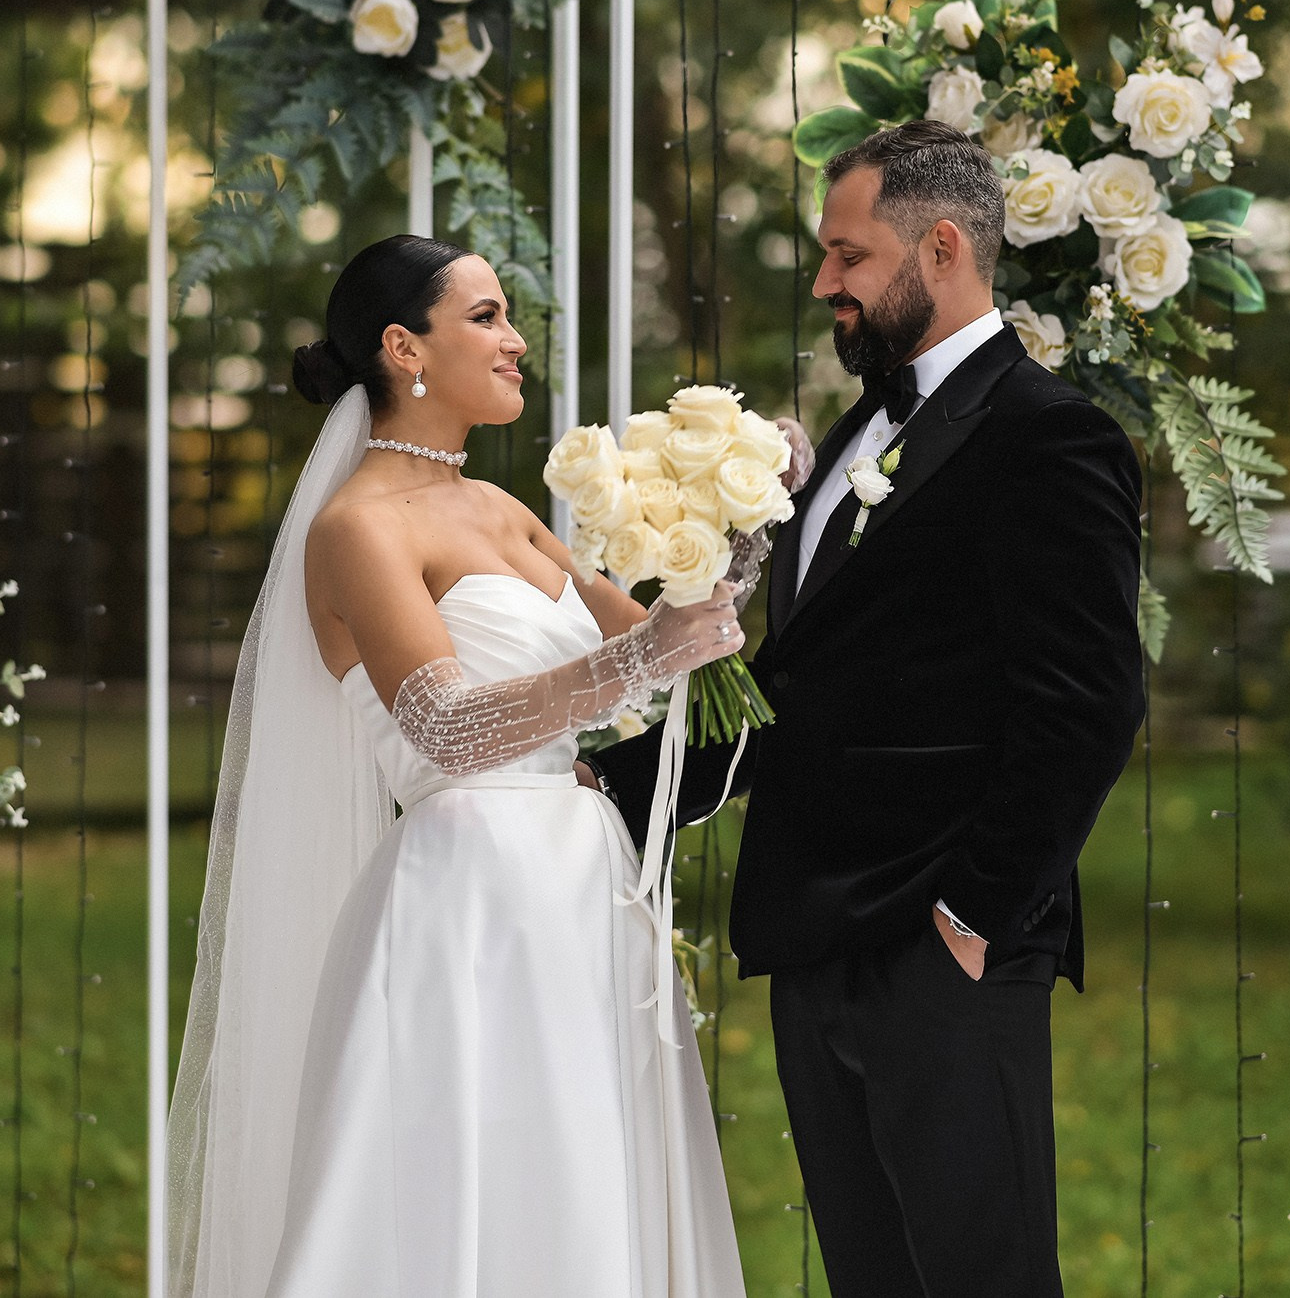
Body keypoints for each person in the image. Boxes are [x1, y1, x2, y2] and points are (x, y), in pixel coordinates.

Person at [585, 121, 1148, 1298]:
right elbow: (800, 688)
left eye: (847, 257)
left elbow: (1087, 705)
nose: (825, 282)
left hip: (943, 947)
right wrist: (613, 794)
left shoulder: (1051, 438)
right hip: (817, 942)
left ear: (939, 247)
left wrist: (974, 917)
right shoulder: (851, 435)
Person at [167, 234, 764, 1298]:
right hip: (468, 895)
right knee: (481, 1179)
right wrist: (643, 654)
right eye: (485, 317)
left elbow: (665, 657)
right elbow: (445, 728)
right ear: (405, 347)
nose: (515, 341)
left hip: (585, 884)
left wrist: (735, 532)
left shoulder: (504, 511)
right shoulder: (356, 526)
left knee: (592, 1163)